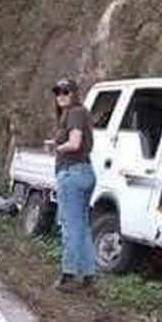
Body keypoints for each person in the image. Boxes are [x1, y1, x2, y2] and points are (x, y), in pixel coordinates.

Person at [46, 79, 95, 290]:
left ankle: (68, 275)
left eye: (66, 91)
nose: (61, 95)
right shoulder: (79, 113)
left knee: (70, 226)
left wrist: (58, 148)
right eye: (57, 92)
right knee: (82, 226)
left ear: (74, 93)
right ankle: (87, 275)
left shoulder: (75, 112)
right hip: (85, 171)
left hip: (71, 174)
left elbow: (74, 143)